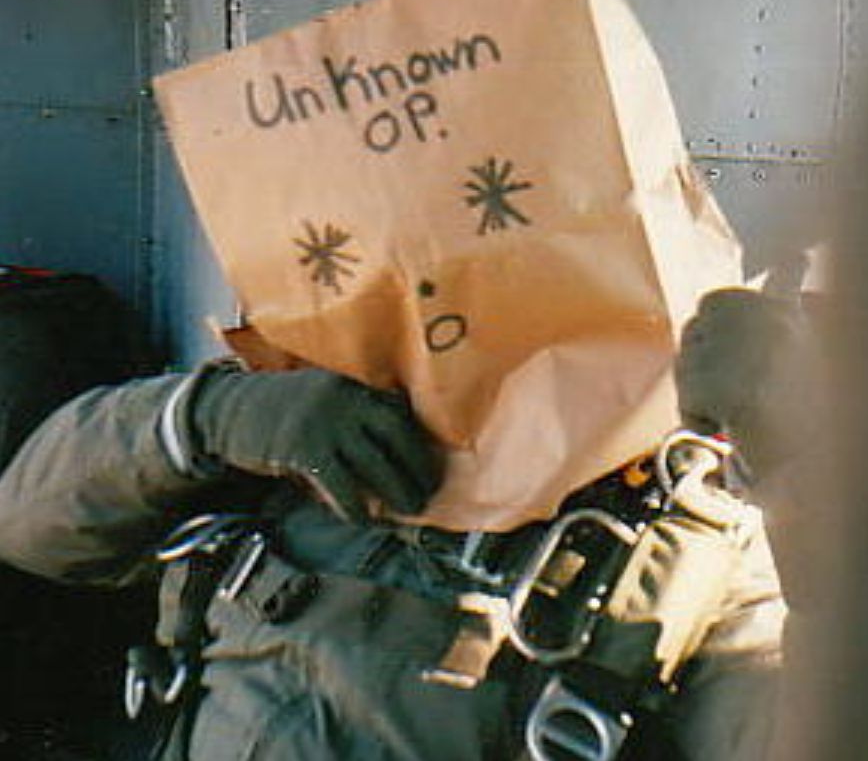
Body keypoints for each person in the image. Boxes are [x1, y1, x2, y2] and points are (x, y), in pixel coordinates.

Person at [0, 285, 803, 761]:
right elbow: (32, 528)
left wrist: (796, 462)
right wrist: (212, 415)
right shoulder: (303, 427)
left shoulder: (693, 543)